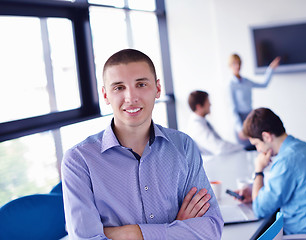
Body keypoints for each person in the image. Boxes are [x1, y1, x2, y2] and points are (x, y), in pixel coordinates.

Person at [61, 49, 223, 240]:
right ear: (105, 95)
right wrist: (174, 230)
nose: (131, 97)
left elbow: (211, 229)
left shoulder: (183, 146)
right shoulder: (79, 161)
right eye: (119, 87)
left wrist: (132, 233)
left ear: (158, 88)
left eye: (141, 84)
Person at [235, 107, 306, 234]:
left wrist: (258, 171)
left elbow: (260, 209)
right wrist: (256, 190)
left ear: (266, 136)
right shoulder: (304, 147)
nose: (258, 150)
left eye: (256, 144)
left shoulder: (286, 161)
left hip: (302, 231)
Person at [228, 54, 281, 145]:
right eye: (234, 64)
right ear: (230, 66)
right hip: (240, 121)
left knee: (258, 144)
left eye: (239, 63)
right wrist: (239, 128)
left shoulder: (246, 82)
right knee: (247, 147)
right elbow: (232, 108)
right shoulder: (230, 85)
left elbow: (264, 84)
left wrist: (271, 69)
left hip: (250, 117)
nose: (237, 66)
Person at [186, 90, 244, 155]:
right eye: (207, 102)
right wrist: (242, 147)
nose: (210, 104)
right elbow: (219, 148)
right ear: (199, 107)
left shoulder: (201, 121)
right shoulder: (196, 126)